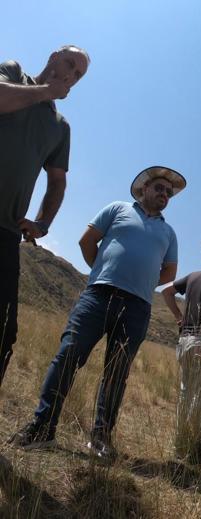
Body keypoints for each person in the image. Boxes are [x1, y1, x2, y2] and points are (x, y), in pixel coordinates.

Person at [8, 167, 184, 460]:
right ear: (144, 189)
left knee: (117, 372)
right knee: (68, 356)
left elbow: (169, 271)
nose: (164, 194)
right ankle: (42, 428)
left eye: (168, 192)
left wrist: (140, 281)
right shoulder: (118, 209)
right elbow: (86, 241)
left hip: (138, 307)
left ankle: (101, 438)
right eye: (159, 188)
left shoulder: (169, 232)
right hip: (99, 296)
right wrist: (101, 272)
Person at [0, 45, 90, 388]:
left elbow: (57, 181)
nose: (70, 74)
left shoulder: (59, 127)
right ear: (53, 56)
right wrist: (45, 92)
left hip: (6, 233)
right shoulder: (13, 72)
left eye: (77, 74)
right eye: (68, 63)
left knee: (4, 334)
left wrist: (42, 223)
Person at [162, 258, 201, 459]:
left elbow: (166, 292)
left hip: (185, 340)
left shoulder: (194, 275)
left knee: (185, 392)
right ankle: (191, 443)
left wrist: (180, 318)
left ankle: (179, 444)